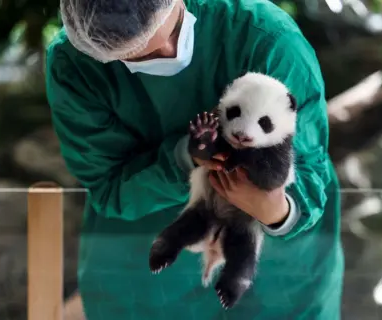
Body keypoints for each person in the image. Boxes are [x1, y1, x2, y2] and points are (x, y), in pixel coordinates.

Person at [45, 0, 344, 318]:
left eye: (171, 30)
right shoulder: (75, 63)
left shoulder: (265, 37)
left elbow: (307, 168)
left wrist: (279, 211)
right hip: (146, 272)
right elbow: (109, 185)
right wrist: (184, 159)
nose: (167, 54)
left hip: (279, 275)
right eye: (138, 56)